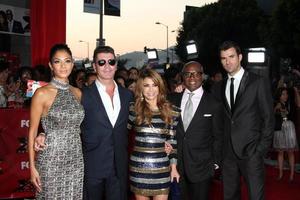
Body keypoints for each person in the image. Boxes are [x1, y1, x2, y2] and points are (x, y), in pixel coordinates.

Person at [219, 41, 274, 200]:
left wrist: (260, 151)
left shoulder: (257, 82)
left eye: (231, 57)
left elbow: (268, 118)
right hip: (228, 154)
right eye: (223, 58)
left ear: (240, 57)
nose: (228, 61)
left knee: (256, 197)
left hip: (251, 153)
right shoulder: (220, 85)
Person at [28, 43, 84, 199]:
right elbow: (32, 130)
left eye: (67, 61)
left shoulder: (78, 93)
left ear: (73, 63)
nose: (63, 66)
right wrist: (32, 168)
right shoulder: (41, 93)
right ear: (50, 65)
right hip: (51, 159)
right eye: (57, 61)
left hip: (76, 159)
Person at [81, 45, 132, 200]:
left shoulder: (128, 95)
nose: (107, 66)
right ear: (94, 66)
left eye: (111, 61)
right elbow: (67, 120)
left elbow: (142, 117)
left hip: (119, 166)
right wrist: (43, 133)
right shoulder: (83, 95)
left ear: (116, 64)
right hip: (92, 165)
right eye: (101, 62)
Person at [168, 61, 223, 200]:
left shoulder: (214, 103)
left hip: (202, 167)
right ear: (182, 77)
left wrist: (215, 164)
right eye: (188, 74)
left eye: (196, 73)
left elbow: (219, 136)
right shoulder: (172, 99)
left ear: (202, 76)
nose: (192, 77)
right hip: (176, 166)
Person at [128, 69, 180, 200]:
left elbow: (172, 141)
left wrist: (173, 168)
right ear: (141, 88)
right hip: (139, 168)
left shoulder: (172, 111)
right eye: (146, 85)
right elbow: (122, 134)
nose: (151, 90)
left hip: (162, 168)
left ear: (160, 87)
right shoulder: (133, 109)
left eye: (154, 85)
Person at [273, 87, 298, 182]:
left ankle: (291, 175)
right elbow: (270, 115)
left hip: (289, 128)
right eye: (283, 94)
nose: (285, 96)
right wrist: (276, 108)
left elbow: (297, 106)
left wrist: (295, 91)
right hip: (279, 129)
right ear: (279, 95)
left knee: (290, 152)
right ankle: (280, 174)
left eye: (286, 94)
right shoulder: (275, 103)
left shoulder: (290, 103)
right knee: (280, 152)